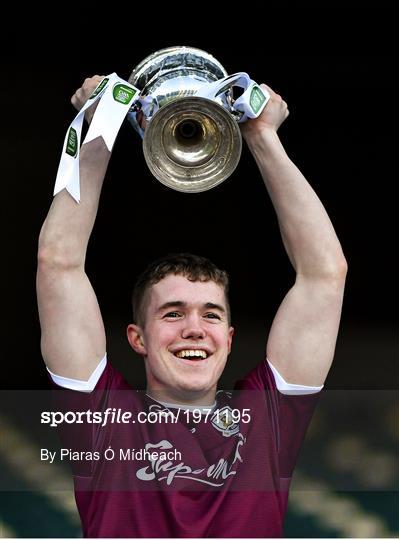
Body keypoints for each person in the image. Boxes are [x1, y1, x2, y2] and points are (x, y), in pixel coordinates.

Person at [36, 74, 347, 538]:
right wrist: (97, 130)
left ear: (229, 338)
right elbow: (58, 263)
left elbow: (325, 273)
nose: (195, 329)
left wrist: (263, 138)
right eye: (173, 313)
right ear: (136, 338)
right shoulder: (104, 425)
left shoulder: (267, 422)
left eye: (211, 314)